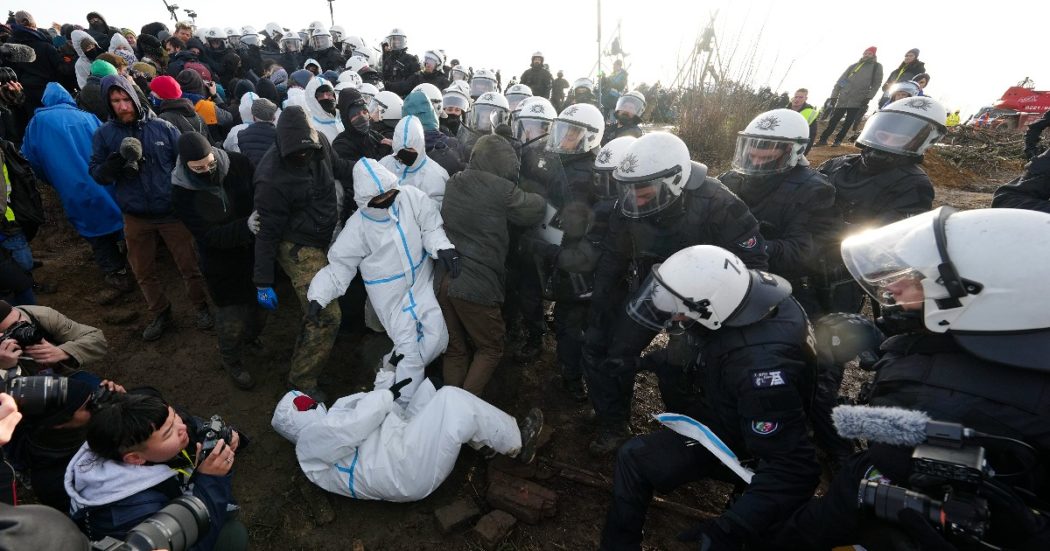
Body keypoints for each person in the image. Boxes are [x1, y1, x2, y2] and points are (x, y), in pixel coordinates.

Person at [770, 207, 1050, 550]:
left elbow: (865, 482)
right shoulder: (1023, 339)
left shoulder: (923, 396)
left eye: (918, 280)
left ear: (985, 298)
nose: (894, 287)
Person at [600, 245, 821, 550]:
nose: (674, 314)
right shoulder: (751, 301)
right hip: (739, 406)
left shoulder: (760, 370)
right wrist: (642, 363)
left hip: (748, 441)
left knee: (634, 457)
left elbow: (794, 467)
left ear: (712, 306)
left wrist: (731, 527)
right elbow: (705, 353)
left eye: (680, 307)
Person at [583, 132, 768, 454]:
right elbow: (615, 253)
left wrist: (709, 308)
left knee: (684, 366)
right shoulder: (627, 206)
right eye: (629, 191)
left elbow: (754, 262)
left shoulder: (719, 203)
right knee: (614, 349)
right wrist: (600, 302)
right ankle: (613, 422)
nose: (635, 199)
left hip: (707, 296)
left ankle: (688, 435)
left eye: (644, 192)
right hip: (654, 285)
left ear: (675, 180)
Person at [306, 160, 456, 404]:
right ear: (365, 201)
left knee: (438, 337)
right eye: (378, 198)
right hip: (390, 296)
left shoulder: (410, 198)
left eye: (389, 193)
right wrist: (318, 295)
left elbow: (430, 226)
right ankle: (400, 405)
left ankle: (389, 367)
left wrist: (442, 247)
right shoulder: (358, 227)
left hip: (420, 281)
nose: (387, 199)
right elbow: (341, 265)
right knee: (410, 349)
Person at [89, 74, 213, 341]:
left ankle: (202, 307)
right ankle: (160, 312)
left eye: (125, 99)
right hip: (135, 215)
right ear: (108, 104)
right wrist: (113, 164)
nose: (122, 106)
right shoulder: (104, 135)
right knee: (142, 270)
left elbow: (185, 165)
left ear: (135, 98)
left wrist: (190, 201)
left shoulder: (163, 128)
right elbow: (97, 174)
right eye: (115, 101)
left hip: (171, 212)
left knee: (189, 265)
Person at [272, 380, 545, 502]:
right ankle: (518, 443)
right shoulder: (309, 444)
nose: (314, 403)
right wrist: (385, 396)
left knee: (429, 392)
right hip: (403, 467)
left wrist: (388, 373)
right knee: (451, 400)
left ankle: (485, 443)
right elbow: (354, 426)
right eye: (306, 405)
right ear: (297, 421)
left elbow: (366, 415)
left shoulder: (323, 432)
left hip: (396, 452)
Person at [252, 105, 355, 402]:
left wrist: (371, 172)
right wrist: (262, 281)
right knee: (324, 313)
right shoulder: (270, 178)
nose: (303, 157)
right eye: (295, 154)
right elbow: (267, 232)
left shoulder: (319, 143)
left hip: (326, 230)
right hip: (297, 244)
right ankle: (302, 380)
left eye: (306, 151)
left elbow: (339, 166)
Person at [65, 392, 247, 551]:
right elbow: (194, 544)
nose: (181, 427)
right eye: (168, 434)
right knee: (233, 535)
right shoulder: (135, 514)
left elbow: (188, 425)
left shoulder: (138, 431)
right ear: (135, 458)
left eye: (174, 416)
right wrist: (210, 480)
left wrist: (220, 438)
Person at [438, 135, 546, 395]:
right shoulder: (501, 189)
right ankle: (460, 413)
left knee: (456, 349)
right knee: (490, 349)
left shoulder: (454, 181)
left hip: (443, 281)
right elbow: (534, 209)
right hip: (476, 286)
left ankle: (445, 410)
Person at [816, 97, 944, 314]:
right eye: (883, 134)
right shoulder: (838, 164)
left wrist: (828, 227)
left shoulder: (913, 183)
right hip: (808, 251)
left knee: (836, 324)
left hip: (850, 266)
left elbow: (891, 238)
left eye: (899, 139)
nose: (888, 142)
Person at [718, 109, 835, 316]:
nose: (754, 163)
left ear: (794, 152)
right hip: (725, 270)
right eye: (751, 155)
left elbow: (804, 252)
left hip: (780, 282)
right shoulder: (730, 179)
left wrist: (749, 247)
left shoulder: (814, 191)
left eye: (766, 157)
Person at [171, 133, 263, 390]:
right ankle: (231, 358)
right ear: (185, 164)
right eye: (197, 168)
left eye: (209, 163)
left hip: (254, 253)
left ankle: (252, 336)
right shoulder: (180, 192)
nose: (206, 170)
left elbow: (260, 188)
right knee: (231, 315)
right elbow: (208, 235)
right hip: (220, 263)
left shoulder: (238, 164)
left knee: (259, 307)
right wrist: (245, 226)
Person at [20, 82, 128, 292]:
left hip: (70, 186)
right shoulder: (87, 116)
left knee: (94, 228)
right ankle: (131, 254)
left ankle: (115, 271)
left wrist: (51, 177)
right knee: (117, 216)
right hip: (103, 181)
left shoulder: (37, 122)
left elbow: (29, 158)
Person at [817, 47, 883, 147]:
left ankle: (838, 141)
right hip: (844, 97)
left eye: (869, 53)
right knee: (833, 120)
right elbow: (842, 80)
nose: (866, 55)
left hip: (859, 99)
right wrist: (834, 96)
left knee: (848, 122)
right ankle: (823, 140)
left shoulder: (876, 67)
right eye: (865, 53)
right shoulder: (853, 66)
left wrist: (869, 97)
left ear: (873, 55)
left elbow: (877, 84)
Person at [6, 11, 61, 129]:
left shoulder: (9, 46)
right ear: (31, 23)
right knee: (51, 125)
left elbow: (9, 70)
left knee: (33, 125)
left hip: (23, 92)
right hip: (47, 91)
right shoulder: (45, 45)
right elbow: (60, 68)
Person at [379, 115, 449, 207]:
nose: (405, 155)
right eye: (401, 150)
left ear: (420, 145)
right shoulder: (384, 165)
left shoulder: (436, 176)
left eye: (410, 149)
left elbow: (436, 212)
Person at [403, 87, 464, 176]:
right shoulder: (451, 143)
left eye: (457, 110)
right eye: (450, 109)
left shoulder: (395, 145)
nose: (453, 113)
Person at [228, 97, 279, 167]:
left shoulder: (241, 135)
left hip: (252, 175)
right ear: (273, 118)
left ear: (253, 118)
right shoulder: (280, 135)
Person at [785, 88, 818, 154]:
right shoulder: (784, 110)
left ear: (806, 98)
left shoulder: (810, 113)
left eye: (801, 97)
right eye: (796, 97)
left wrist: (803, 153)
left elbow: (811, 135)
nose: (797, 99)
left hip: (796, 146)